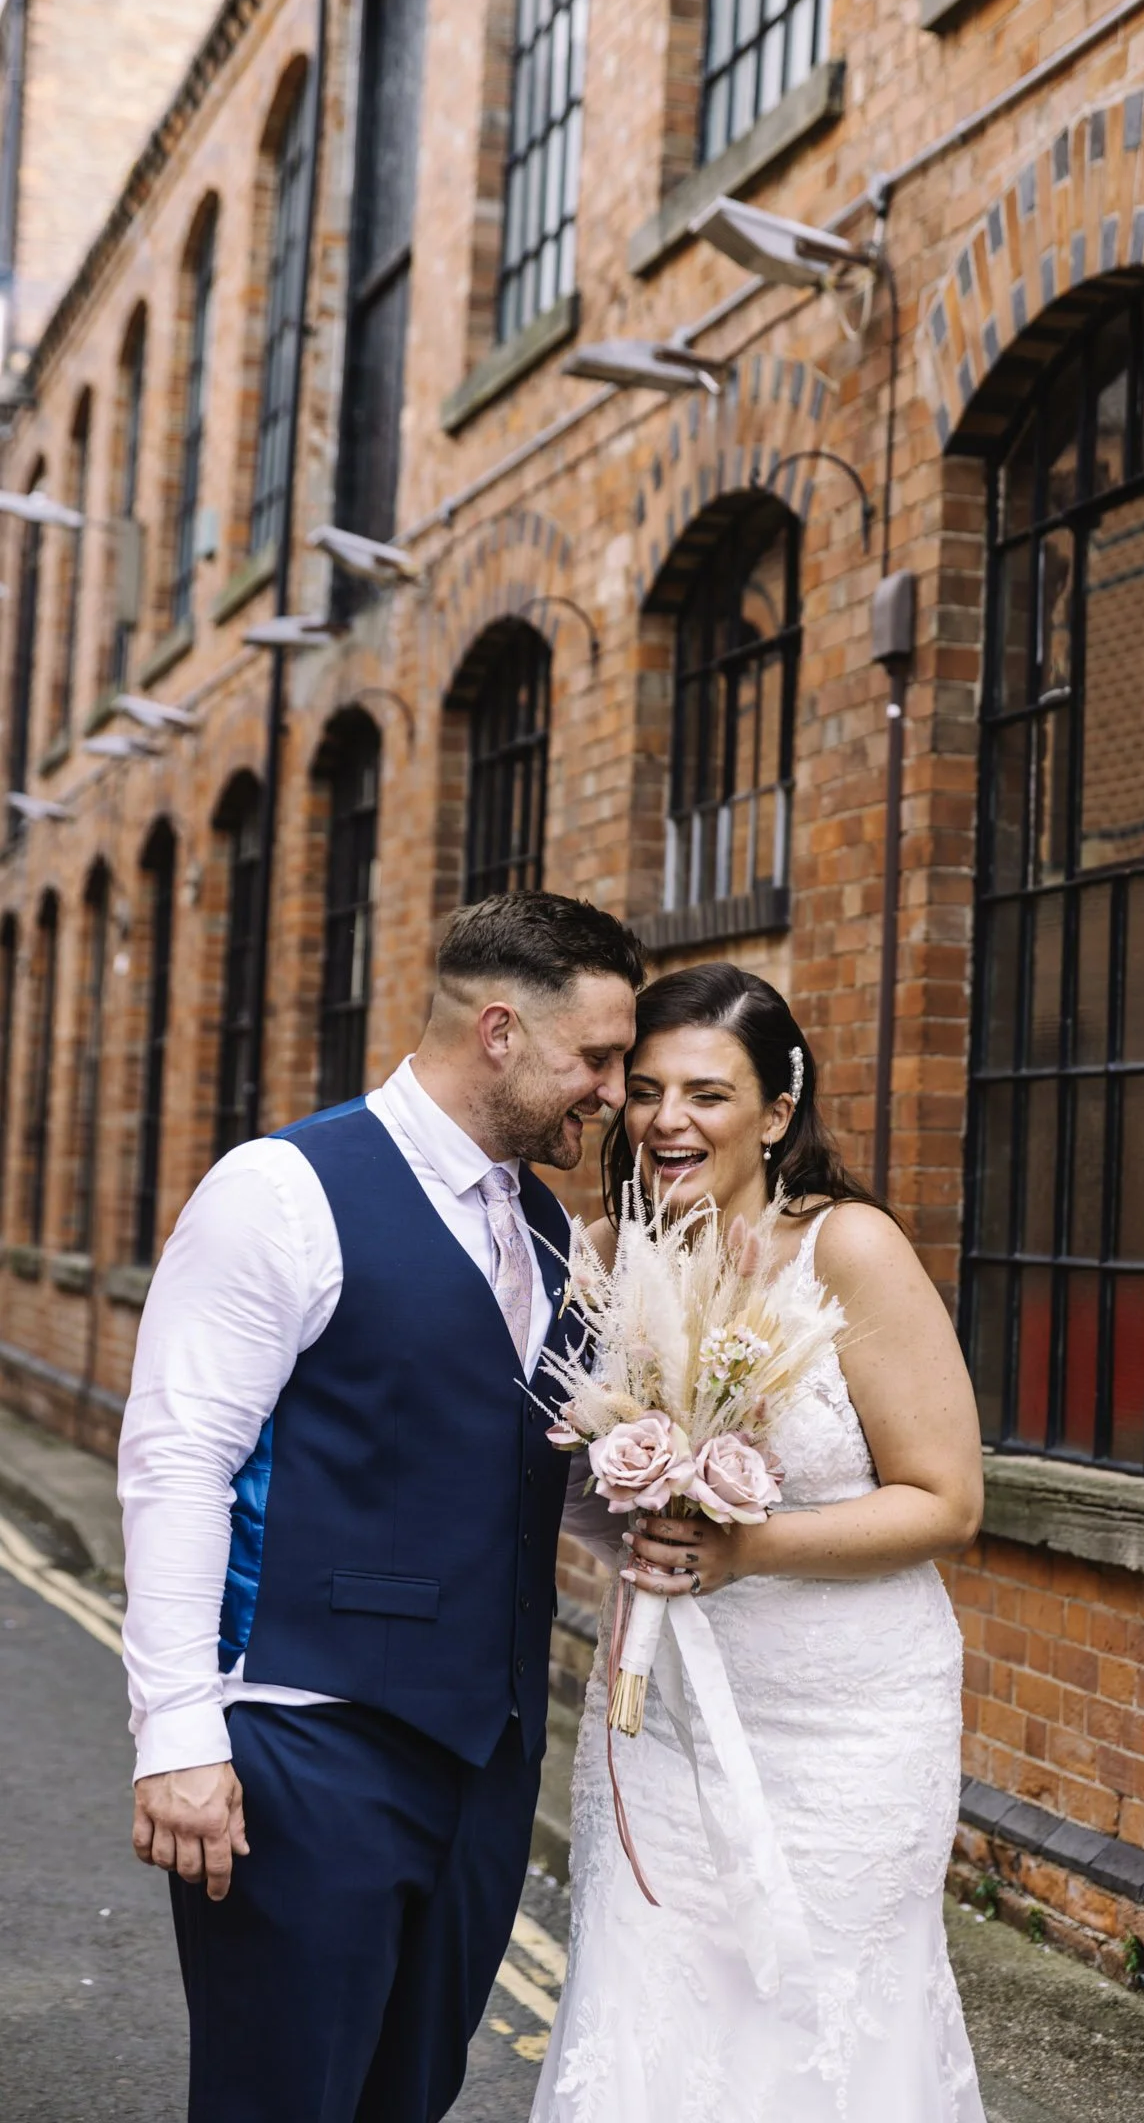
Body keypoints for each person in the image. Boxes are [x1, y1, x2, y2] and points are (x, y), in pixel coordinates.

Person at [118, 889, 644, 2123]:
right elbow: (179, 1460)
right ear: (500, 1031)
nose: (615, 1093)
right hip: (308, 1738)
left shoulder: (548, 1229)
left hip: (488, 1756)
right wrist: (177, 1733)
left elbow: (528, 1461)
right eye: (597, 1057)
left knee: (410, 2095)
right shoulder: (282, 1189)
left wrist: (664, 1502)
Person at [532, 961, 988, 2122]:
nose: (665, 1121)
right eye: (645, 1091)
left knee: (818, 2030)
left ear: (777, 1113)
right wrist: (641, 1519)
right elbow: (573, 1484)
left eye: (707, 1094)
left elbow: (946, 1502)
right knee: (650, 2009)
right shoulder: (603, 1256)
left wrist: (746, 1549)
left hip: (845, 1727)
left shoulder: (848, 1249)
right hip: (661, 1718)